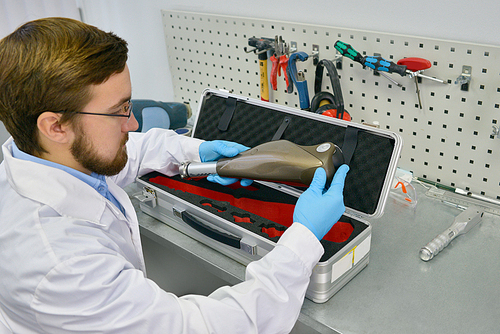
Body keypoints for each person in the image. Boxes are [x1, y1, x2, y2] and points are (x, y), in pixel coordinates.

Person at [0, 17, 349, 333]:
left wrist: (196, 152)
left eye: (129, 105)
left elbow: (129, 151)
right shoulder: (62, 266)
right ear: (55, 126)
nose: (133, 123)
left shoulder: (34, 155)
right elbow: (208, 328)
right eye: (118, 111)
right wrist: (303, 239)